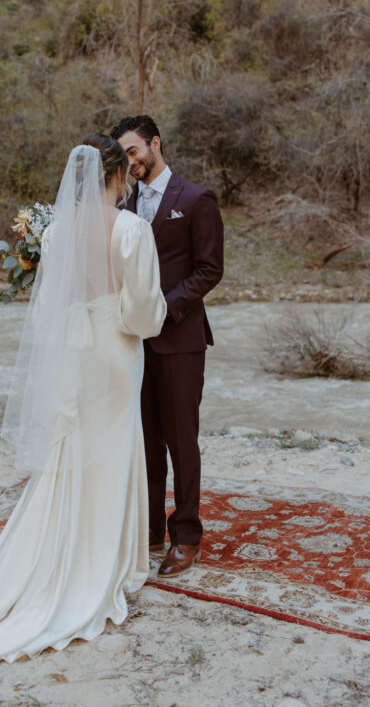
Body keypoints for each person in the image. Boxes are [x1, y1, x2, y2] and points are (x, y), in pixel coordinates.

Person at [0, 136, 167, 668]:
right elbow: (143, 313)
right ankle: (110, 566)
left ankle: (62, 553)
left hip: (71, 350)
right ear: (118, 177)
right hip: (114, 351)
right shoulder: (132, 229)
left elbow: (47, 308)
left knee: (74, 448)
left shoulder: (59, 230)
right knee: (115, 448)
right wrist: (129, 323)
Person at [111, 115, 224, 577]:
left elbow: (209, 269)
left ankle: (186, 535)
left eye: (135, 151)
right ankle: (151, 528)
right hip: (133, 343)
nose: (131, 161)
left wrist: (162, 307)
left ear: (155, 144)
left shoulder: (196, 199)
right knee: (146, 440)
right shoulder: (123, 203)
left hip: (179, 339)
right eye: (124, 155)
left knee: (181, 441)